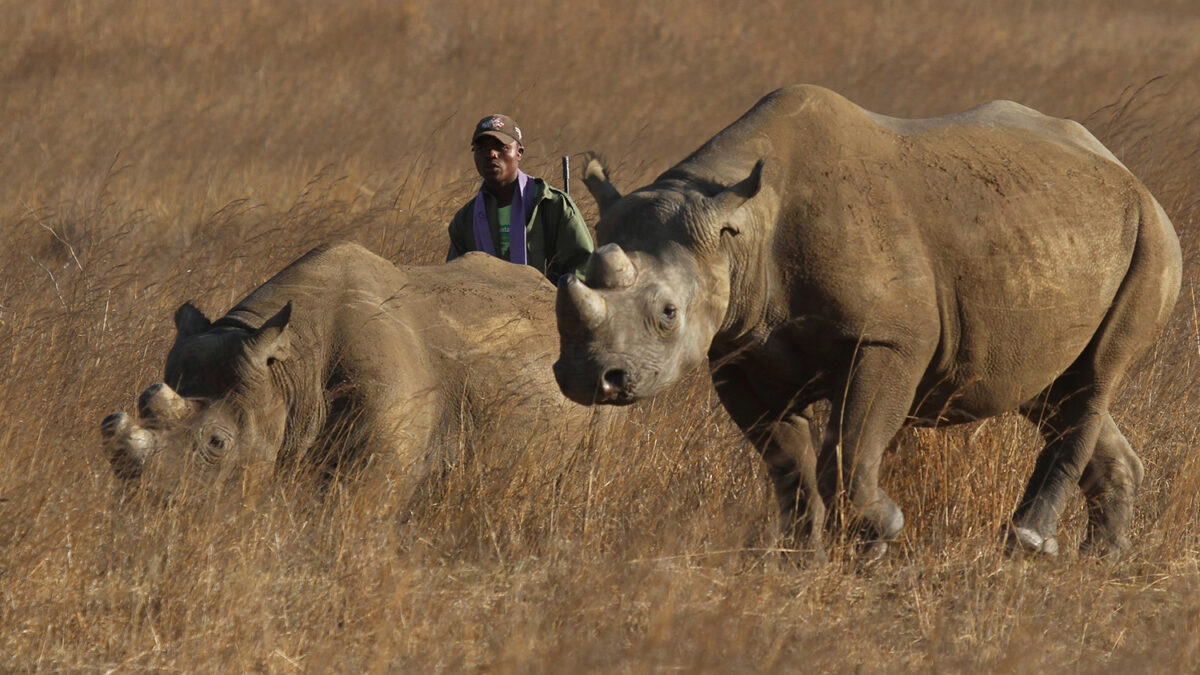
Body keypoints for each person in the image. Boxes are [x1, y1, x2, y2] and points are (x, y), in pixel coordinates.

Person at [447, 114, 594, 284]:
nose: (491, 154)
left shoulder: (552, 205)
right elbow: (453, 282)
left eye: (500, 147)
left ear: (519, 153)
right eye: (481, 148)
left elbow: (584, 268)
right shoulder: (466, 219)